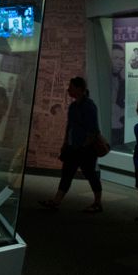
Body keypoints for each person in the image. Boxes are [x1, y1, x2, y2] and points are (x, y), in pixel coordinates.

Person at [39, 77, 103, 212]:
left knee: (90, 174)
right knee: (67, 174)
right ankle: (56, 201)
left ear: (79, 89)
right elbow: (70, 127)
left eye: (71, 87)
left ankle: (97, 202)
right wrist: (65, 143)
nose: (69, 89)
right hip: (73, 147)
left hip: (85, 149)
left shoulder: (89, 106)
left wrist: (84, 146)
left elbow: (93, 130)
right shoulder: (73, 106)